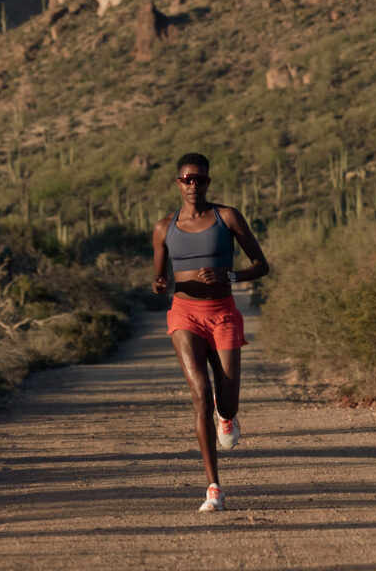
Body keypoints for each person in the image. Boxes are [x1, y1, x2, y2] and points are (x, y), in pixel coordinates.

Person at [152, 152, 270, 512]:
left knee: (227, 398)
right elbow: (160, 274)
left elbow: (261, 265)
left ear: (208, 182)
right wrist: (159, 283)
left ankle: (228, 416)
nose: (193, 185)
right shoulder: (163, 227)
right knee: (200, 392)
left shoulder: (227, 217)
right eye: (187, 179)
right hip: (185, 314)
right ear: (178, 183)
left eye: (199, 179)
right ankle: (213, 487)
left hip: (223, 314)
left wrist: (228, 276)